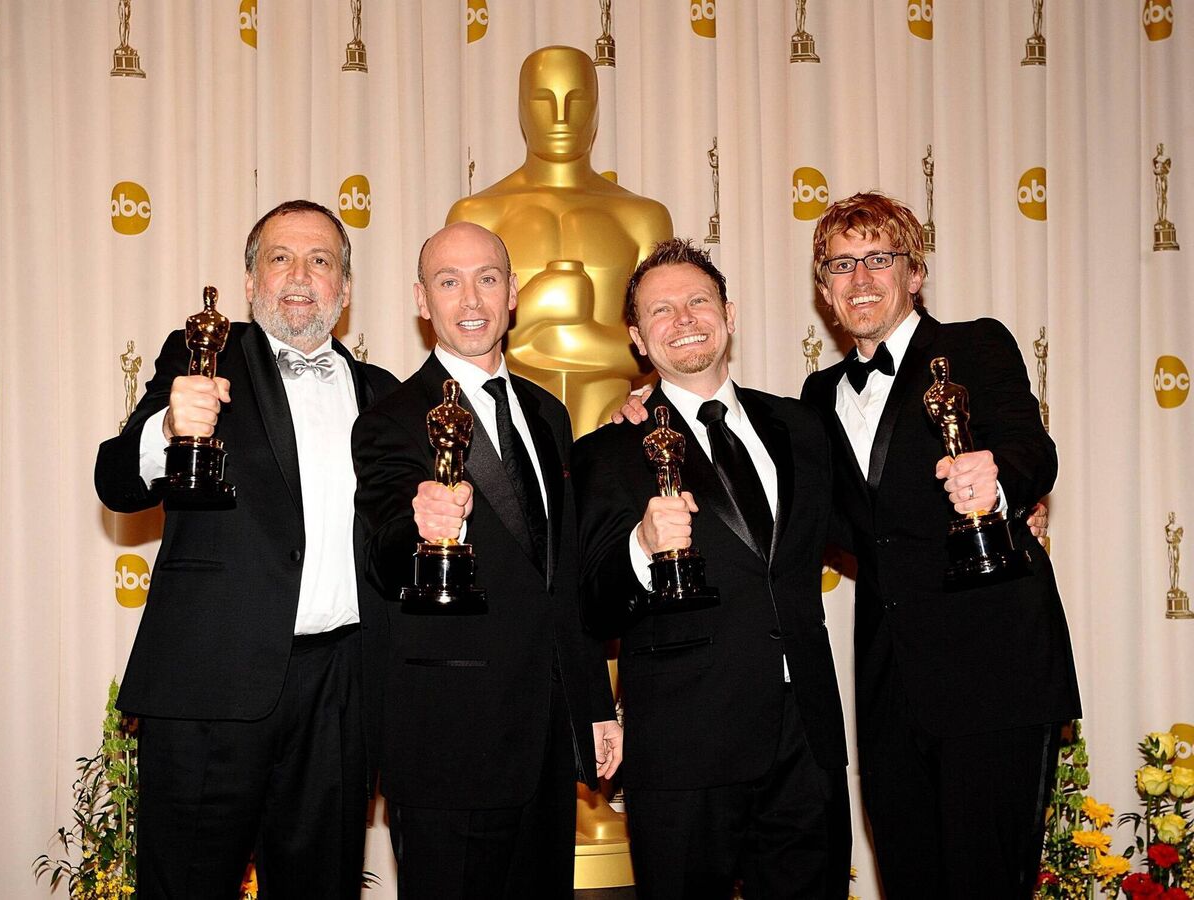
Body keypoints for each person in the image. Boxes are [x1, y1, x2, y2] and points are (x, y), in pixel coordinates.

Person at [94, 199, 398, 898]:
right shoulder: (201, 353)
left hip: (340, 692)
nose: (300, 276)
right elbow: (116, 480)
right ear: (251, 281)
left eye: (321, 261)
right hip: (209, 681)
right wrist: (167, 430)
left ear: (344, 291)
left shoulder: (383, 395)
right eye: (280, 258)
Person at [801, 192, 1080, 899]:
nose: (860, 279)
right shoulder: (815, 394)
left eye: (878, 259)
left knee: (988, 881)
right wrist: (647, 413)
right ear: (824, 290)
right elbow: (807, 513)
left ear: (914, 271)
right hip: (888, 678)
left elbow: (1028, 447)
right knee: (909, 876)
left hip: (995, 664)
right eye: (841, 264)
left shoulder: (976, 344)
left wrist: (1002, 481)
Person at [572, 239, 851, 899]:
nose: (685, 319)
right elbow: (589, 604)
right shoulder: (609, 451)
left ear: (730, 312)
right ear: (638, 338)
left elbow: (867, 527)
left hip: (805, 736)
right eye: (660, 311)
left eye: (698, 301)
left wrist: (1004, 509)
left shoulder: (802, 426)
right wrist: (640, 545)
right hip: (684, 744)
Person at [351, 221, 622, 898]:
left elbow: (561, 579)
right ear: (422, 300)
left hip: (547, 739)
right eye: (449, 281)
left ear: (514, 296)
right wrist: (416, 525)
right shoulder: (390, 420)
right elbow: (383, 550)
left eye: (487, 278)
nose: (470, 298)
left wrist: (595, 703)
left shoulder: (549, 413)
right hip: (447, 737)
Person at [447, 45, 673, 436]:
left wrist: (542, 336)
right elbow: (459, 337)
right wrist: (540, 303)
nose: (561, 116)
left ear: (597, 106)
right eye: (543, 99)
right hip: (505, 420)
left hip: (612, 420)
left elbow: (660, 344)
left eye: (577, 99)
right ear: (521, 107)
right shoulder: (476, 214)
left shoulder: (643, 217)